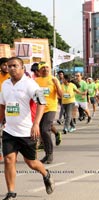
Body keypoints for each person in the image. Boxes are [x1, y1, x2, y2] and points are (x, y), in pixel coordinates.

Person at [0, 57, 54, 199]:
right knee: (8, 160)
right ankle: (11, 192)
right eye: (9, 66)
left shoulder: (31, 84)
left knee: (31, 162)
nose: (11, 68)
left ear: (22, 68)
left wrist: (36, 124)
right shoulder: (5, 84)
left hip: (27, 131)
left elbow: (42, 103)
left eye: (15, 66)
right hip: (9, 131)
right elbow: (2, 105)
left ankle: (46, 174)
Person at [35, 62, 62, 164]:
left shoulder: (54, 79)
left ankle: (50, 154)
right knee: (42, 132)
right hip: (39, 109)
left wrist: (57, 85)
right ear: (39, 70)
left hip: (50, 108)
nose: (45, 69)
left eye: (47, 67)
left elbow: (61, 95)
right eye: (43, 68)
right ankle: (47, 154)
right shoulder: (36, 81)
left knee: (45, 129)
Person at [0, 57, 10, 161]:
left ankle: (11, 153)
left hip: (10, 109)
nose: (6, 67)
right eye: (4, 65)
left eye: (8, 65)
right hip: (0, 108)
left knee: (9, 131)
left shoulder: (11, 77)